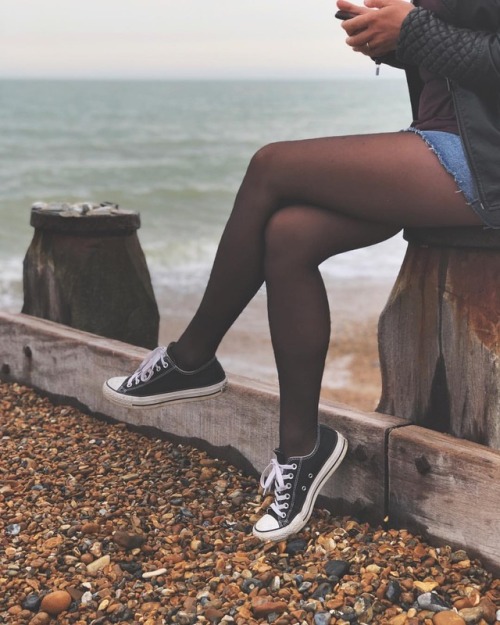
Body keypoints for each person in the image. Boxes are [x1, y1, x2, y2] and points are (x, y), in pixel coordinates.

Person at [103, 0, 500, 542]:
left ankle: (192, 357)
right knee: (289, 237)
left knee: (272, 165)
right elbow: (458, 65)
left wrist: (411, 29)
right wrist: (387, 37)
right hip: (441, 147)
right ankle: (301, 450)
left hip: (482, 165)